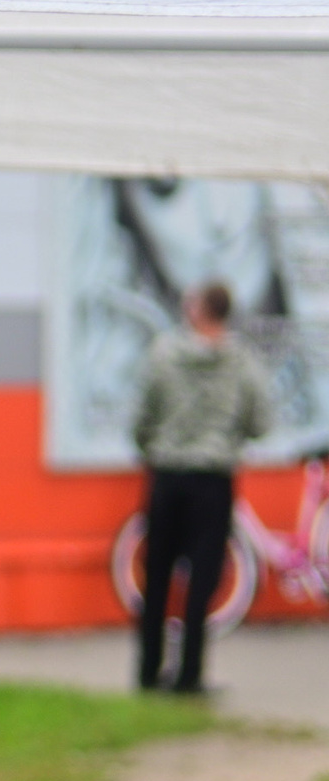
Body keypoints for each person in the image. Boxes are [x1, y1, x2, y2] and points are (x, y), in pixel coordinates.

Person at [131, 279, 274, 693]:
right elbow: (261, 423)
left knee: (157, 575)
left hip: (168, 477)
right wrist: (228, 435)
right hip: (213, 480)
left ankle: (147, 672)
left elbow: (141, 417)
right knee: (203, 578)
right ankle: (190, 674)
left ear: (197, 310)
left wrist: (155, 448)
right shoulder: (241, 363)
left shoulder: (162, 356)